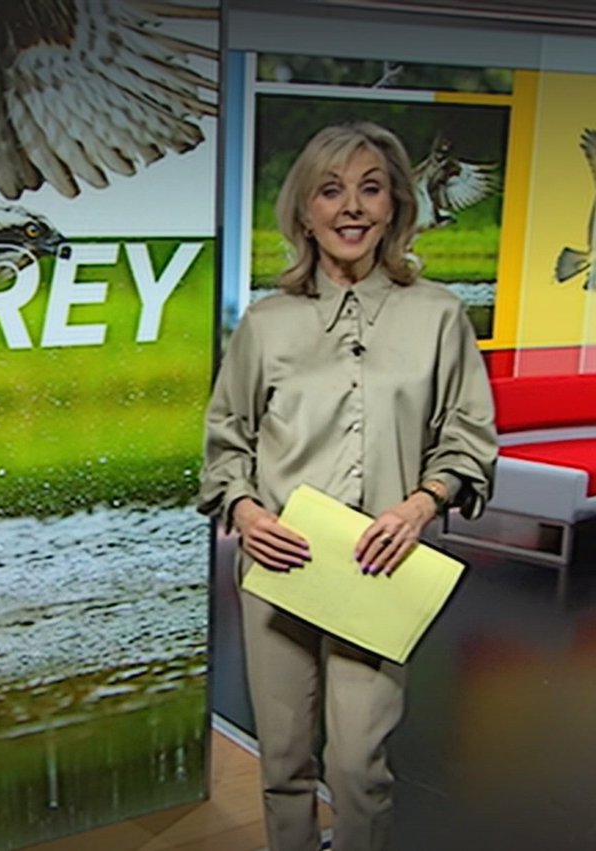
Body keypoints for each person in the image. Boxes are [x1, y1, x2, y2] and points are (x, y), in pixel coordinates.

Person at [198, 122, 497, 851]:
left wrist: (422, 501)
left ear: (396, 203)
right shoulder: (266, 324)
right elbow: (225, 438)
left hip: (379, 567)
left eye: (371, 188)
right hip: (279, 564)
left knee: (361, 764)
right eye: (331, 190)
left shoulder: (439, 316)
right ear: (305, 210)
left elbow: (468, 433)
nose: (352, 208)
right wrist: (242, 506)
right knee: (283, 760)